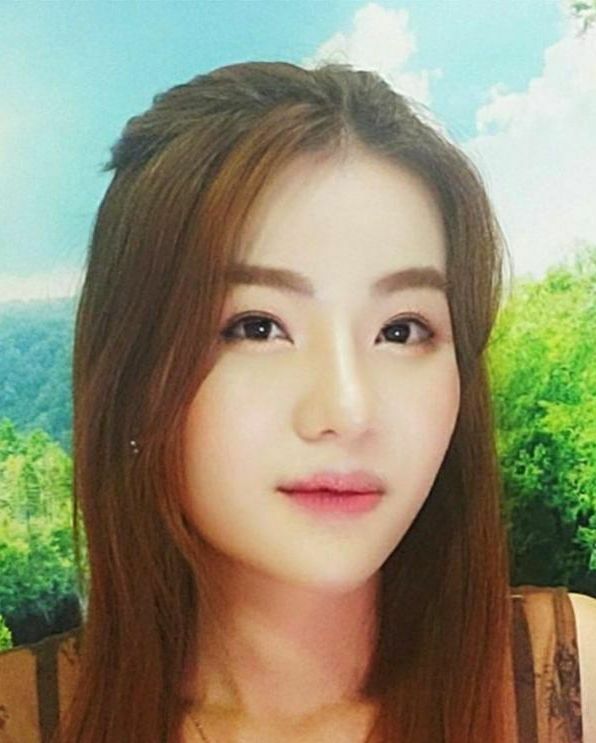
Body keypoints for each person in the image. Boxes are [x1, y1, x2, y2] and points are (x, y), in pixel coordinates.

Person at [0, 60, 593, 743]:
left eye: (401, 330)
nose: (347, 409)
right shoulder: (28, 716)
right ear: (135, 370)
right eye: (257, 327)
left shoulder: (568, 680)